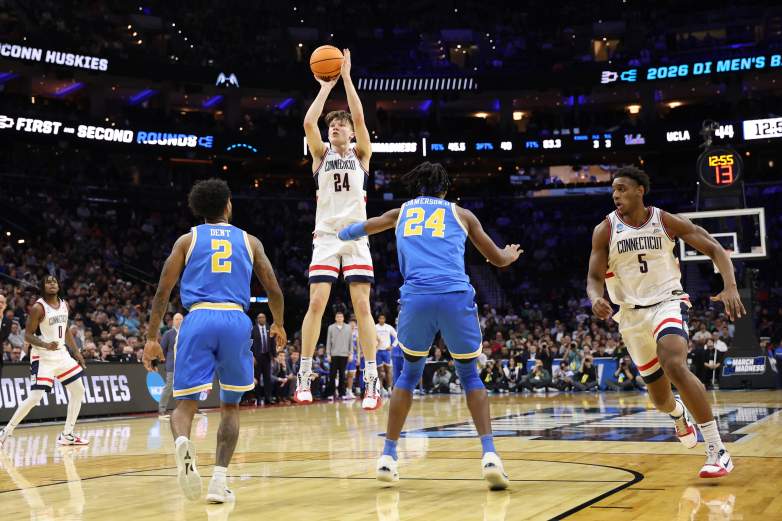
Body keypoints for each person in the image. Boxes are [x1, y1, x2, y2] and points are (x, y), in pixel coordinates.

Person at [338, 161, 522, 489]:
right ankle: (490, 455)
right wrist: (509, 254)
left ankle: (388, 456)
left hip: (417, 298)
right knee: (469, 375)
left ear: (416, 188)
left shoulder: (401, 212)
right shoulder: (461, 214)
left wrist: (338, 233)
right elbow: (496, 259)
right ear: (445, 189)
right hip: (454, 296)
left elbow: (362, 228)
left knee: (408, 375)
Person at [587, 166, 744, 478]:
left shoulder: (665, 220)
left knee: (674, 364)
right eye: (613, 190)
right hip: (630, 314)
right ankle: (678, 413)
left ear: (640, 191)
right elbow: (593, 277)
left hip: (667, 302)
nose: (615, 194)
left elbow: (714, 247)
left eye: (621, 188)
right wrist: (595, 298)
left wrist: (730, 286)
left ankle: (717, 449)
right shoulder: (605, 229)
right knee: (660, 399)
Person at [142, 179, 286, 504]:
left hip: (198, 319)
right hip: (235, 319)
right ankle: (219, 482)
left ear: (199, 209)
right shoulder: (250, 241)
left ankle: (183, 445)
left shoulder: (187, 240)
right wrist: (278, 323)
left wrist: (151, 338)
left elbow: (163, 290)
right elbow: (274, 289)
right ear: (228, 204)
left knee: (185, 405)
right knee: (231, 406)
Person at [296, 49, 381, 410]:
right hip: (327, 236)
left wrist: (345, 77)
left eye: (340, 125)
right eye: (332, 125)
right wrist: (324, 86)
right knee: (317, 302)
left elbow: (359, 116)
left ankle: (372, 380)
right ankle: (303, 375)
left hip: (357, 234)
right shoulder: (321, 156)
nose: (335, 127)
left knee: (362, 306)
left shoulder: (362, 155)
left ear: (351, 132)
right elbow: (308, 123)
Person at [0, 275, 88, 448]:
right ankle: (6, 432)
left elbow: (65, 330)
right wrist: (46, 345)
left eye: (54, 281)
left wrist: (76, 352)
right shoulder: (38, 308)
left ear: (59, 286)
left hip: (62, 354)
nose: (52, 283)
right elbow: (28, 335)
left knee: (79, 390)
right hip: (43, 356)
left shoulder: (64, 304)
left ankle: (67, 434)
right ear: (42, 287)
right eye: (48, 282)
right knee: (35, 397)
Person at [158, 313, 183, 419]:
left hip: (184, 365)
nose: (179, 321)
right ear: (173, 321)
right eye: (176, 319)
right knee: (168, 387)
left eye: (180, 319)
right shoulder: (168, 334)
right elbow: (162, 349)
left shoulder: (186, 333)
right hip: (172, 365)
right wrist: (167, 360)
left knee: (185, 388)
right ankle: (162, 409)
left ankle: (188, 408)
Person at [325, 311, 352, 400]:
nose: (339, 318)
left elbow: (350, 342)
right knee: (332, 375)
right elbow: (328, 342)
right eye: (338, 317)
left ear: (343, 318)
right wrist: (328, 354)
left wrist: (351, 353)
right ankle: (331, 393)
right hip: (334, 354)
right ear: (335, 318)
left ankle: (342, 393)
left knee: (342, 375)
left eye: (341, 317)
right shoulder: (331, 327)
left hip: (344, 354)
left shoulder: (348, 328)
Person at [252, 312, 276, 405]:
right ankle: (258, 398)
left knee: (267, 378)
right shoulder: (253, 330)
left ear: (265, 319)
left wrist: (274, 356)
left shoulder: (269, 328)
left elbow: (272, 343)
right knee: (257, 378)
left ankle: (267, 398)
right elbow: (249, 343)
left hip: (267, 356)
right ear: (257, 319)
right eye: (259, 317)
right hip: (257, 357)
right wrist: (252, 356)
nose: (261, 319)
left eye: (263, 317)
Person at [375, 314, 397, 397]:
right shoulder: (375, 327)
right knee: (379, 372)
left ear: (385, 319)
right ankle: (381, 389)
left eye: (383, 318)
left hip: (387, 352)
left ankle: (389, 389)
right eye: (380, 318)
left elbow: (397, 337)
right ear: (378, 319)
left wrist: (392, 346)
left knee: (388, 371)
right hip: (378, 352)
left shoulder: (388, 327)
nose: (381, 320)